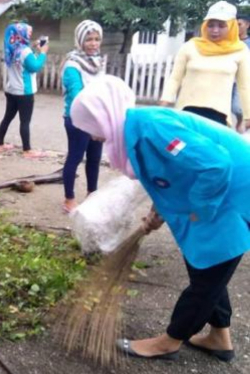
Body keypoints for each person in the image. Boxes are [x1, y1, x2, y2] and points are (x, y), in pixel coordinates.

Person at [71, 75, 250, 362]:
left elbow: (215, 164)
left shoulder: (153, 127)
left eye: (90, 126)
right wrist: (159, 211)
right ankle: (219, 338)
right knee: (205, 262)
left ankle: (169, 341)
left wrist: (200, 209)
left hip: (236, 192)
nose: (92, 136)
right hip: (222, 191)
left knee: (208, 276)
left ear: (103, 114)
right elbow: (169, 173)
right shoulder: (135, 132)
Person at [160, 1, 250, 129]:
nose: (215, 30)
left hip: (219, 116)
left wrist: (248, 115)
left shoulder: (240, 51)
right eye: (211, 25)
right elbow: (175, 78)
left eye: (221, 26)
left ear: (231, 26)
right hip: (186, 111)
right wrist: (164, 102)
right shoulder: (190, 46)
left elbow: (245, 86)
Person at [60, 20, 105, 213]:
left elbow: (103, 90)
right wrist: (91, 124)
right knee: (75, 157)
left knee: (95, 158)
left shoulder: (98, 62)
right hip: (78, 119)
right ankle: (69, 199)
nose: (93, 43)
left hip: (96, 118)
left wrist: (102, 121)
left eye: (96, 39)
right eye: (89, 39)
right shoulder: (72, 64)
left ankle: (92, 195)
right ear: (80, 40)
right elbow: (78, 96)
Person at [0, 22, 49, 159]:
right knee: (25, 121)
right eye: (28, 34)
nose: (29, 36)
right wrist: (42, 53)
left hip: (11, 89)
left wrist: (34, 47)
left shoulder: (10, 48)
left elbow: (24, 59)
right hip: (24, 92)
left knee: (7, 117)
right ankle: (27, 150)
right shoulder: (25, 52)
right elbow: (34, 66)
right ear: (21, 35)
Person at [231, 13, 250, 130]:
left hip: (244, 79)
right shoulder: (230, 42)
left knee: (237, 107)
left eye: (239, 24)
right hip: (228, 77)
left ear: (247, 25)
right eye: (234, 25)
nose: (237, 27)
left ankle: (243, 120)